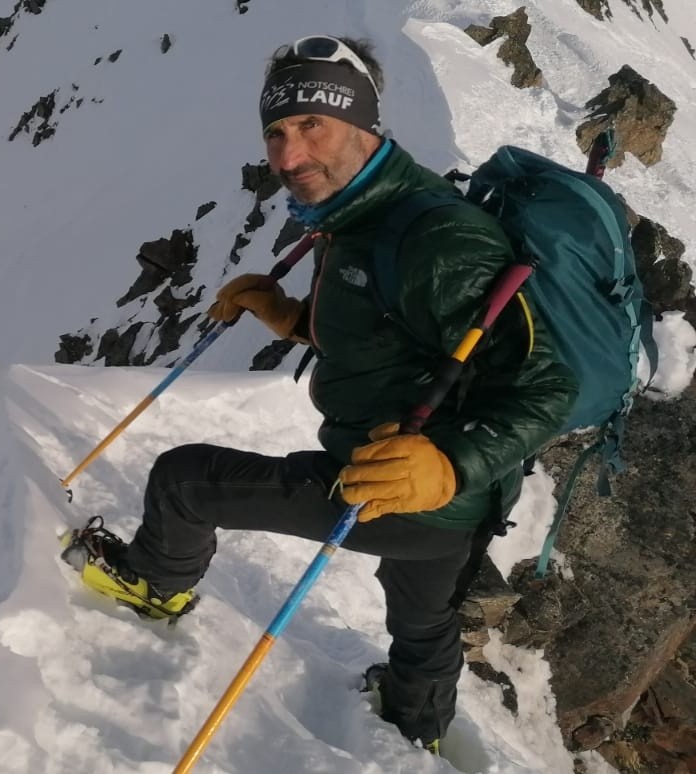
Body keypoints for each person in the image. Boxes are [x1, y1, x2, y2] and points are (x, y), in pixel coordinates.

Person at [70, 35, 578, 751]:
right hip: (460, 506)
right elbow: (395, 331)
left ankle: (153, 585)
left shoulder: (436, 235)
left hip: (400, 484)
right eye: (276, 132)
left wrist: (447, 466)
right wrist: (292, 319)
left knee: (184, 479)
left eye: (313, 125)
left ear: (365, 122)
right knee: (422, 625)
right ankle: (416, 728)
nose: (288, 156)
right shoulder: (365, 214)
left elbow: (550, 381)